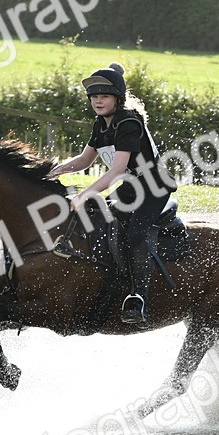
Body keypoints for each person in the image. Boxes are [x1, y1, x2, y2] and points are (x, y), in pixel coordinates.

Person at [48, 63, 177, 324]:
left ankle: (138, 297)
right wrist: (55, 170)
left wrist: (84, 194)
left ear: (117, 99)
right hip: (131, 188)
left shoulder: (128, 122)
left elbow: (116, 171)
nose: (97, 101)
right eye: (94, 97)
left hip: (154, 187)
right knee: (97, 221)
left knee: (135, 233)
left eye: (103, 96)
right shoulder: (101, 123)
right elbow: (84, 160)